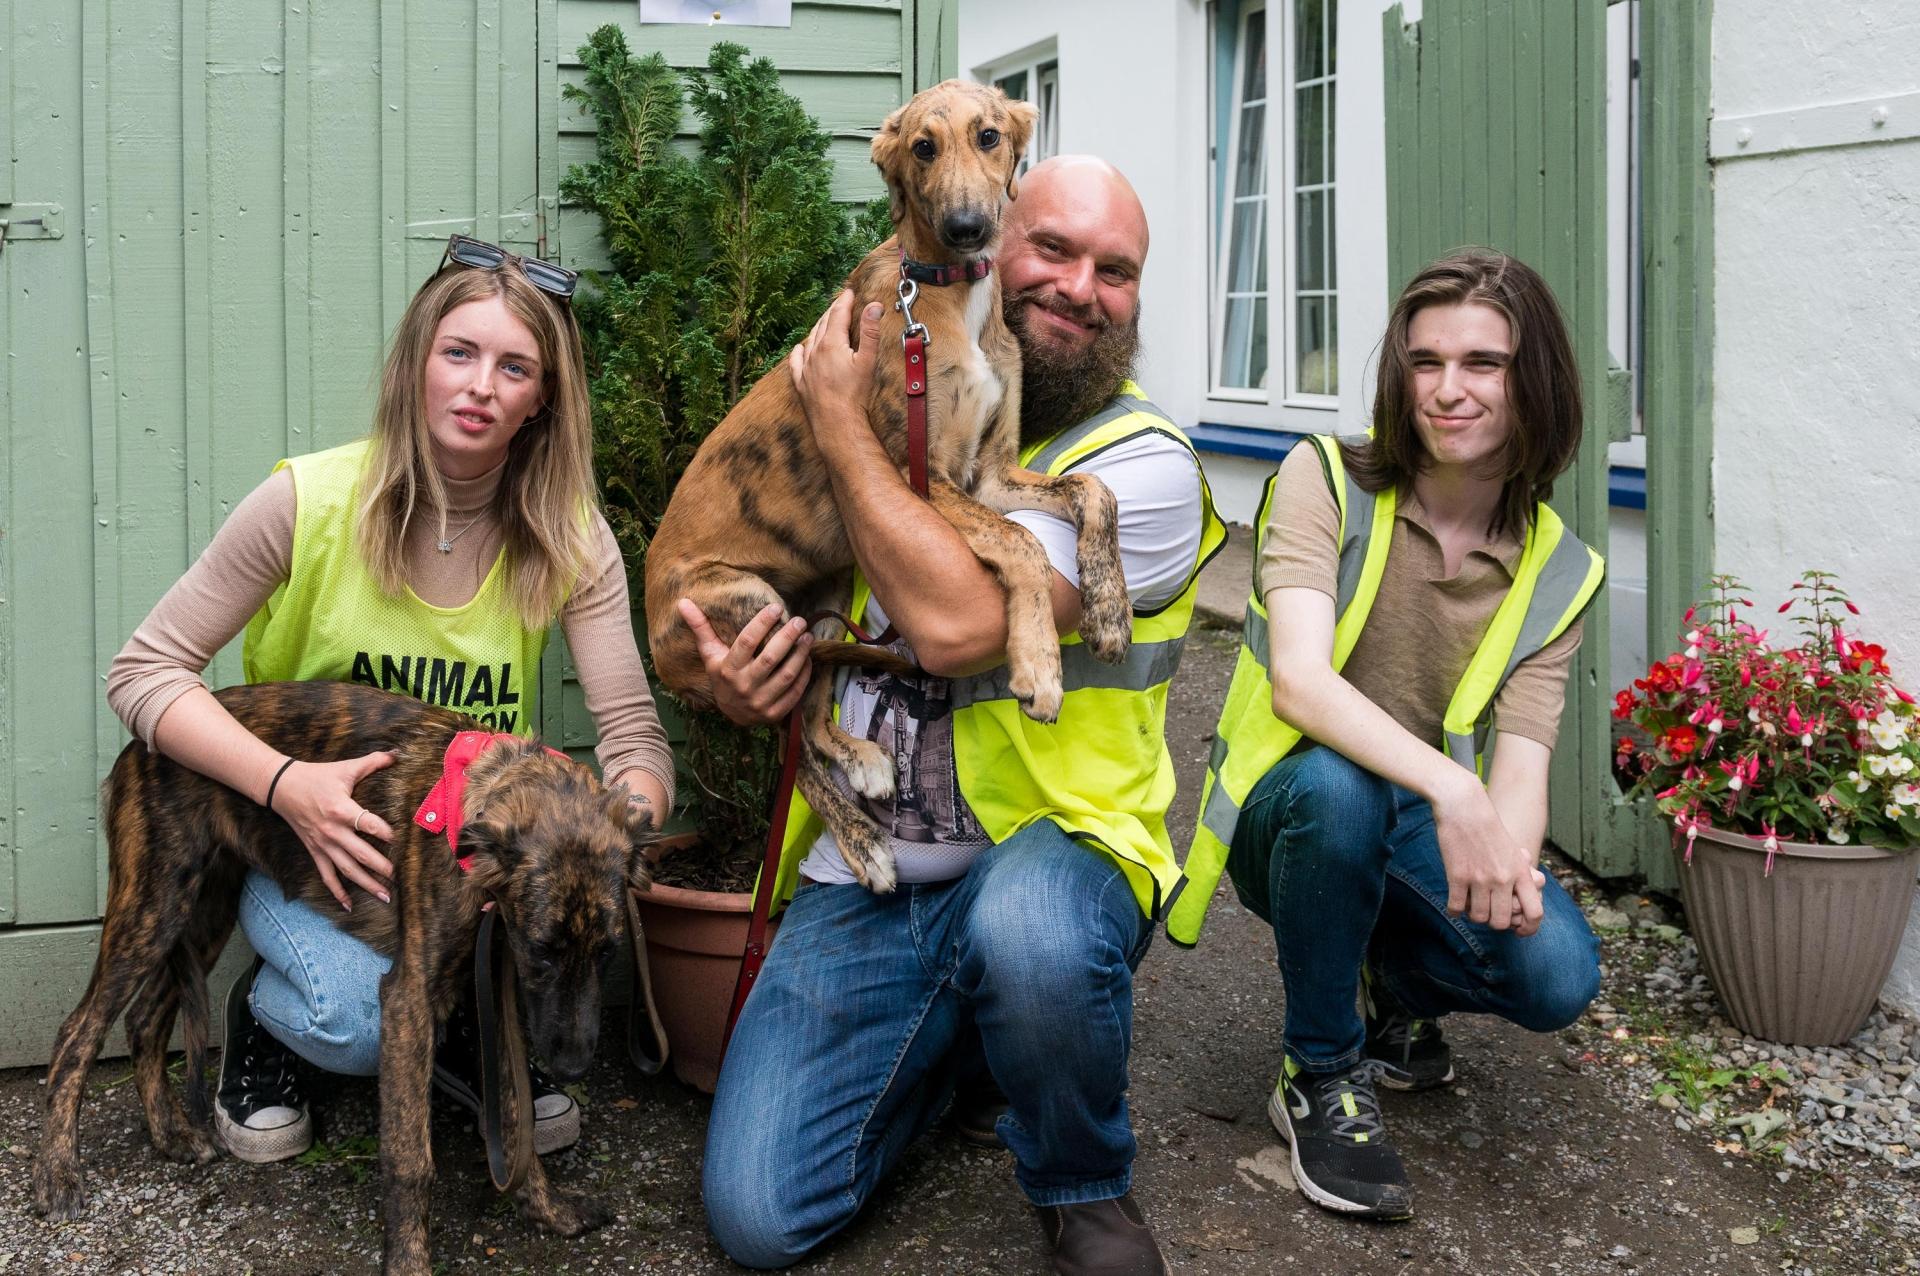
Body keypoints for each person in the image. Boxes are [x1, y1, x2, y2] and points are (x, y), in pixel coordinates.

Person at [679, 156, 1224, 1274]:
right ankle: (958, 1051)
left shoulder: (1147, 462)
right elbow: (780, 584)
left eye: (1114, 272)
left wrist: (841, 427)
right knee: (757, 1216)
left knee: (1025, 935)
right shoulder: (916, 393)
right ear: (994, 239)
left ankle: (1083, 1187)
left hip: (1047, 852)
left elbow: (957, 627)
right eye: (1055, 252)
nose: (1078, 288)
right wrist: (733, 682)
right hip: (875, 870)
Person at [105, 236, 675, 1164]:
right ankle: (270, 1021)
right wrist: (286, 783)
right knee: (354, 1021)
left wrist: (618, 827)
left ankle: (454, 1027)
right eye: (459, 352)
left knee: (456, 979)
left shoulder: (569, 536)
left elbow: (632, 733)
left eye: (514, 366)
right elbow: (143, 671)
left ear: (542, 401)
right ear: (416, 361)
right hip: (301, 849)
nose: (481, 385)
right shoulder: (311, 501)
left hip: (462, 867)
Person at [1170, 249, 1606, 1219]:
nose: (1448, 390)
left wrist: (1508, 867)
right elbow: (1299, 682)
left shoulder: (1561, 568)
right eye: (1425, 362)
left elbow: (1525, 761)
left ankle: (1389, 987)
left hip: (1407, 826)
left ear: (1531, 381)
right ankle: (1319, 1071)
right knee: (1343, 787)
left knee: (1558, 970)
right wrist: (1458, 793)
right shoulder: (1323, 477)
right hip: (1292, 807)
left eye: (1481, 363)